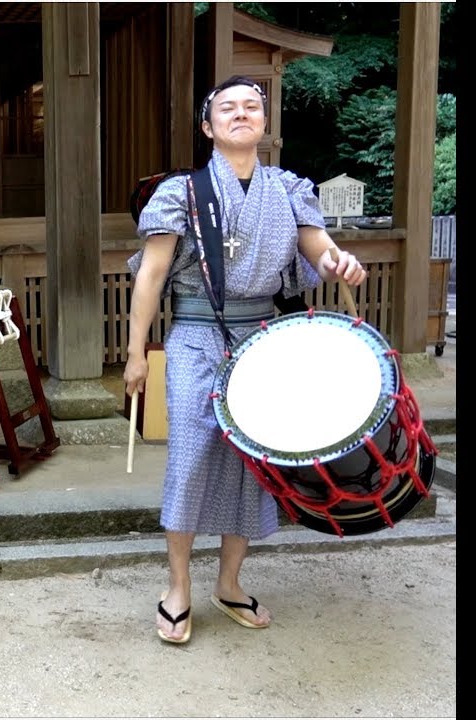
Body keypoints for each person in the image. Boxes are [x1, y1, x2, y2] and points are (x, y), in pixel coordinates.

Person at [123, 75, 368, 644]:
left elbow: (318, 249)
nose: (241, 114)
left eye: (252, 107)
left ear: (264, 123)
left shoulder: (288, 189)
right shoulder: (179, 193)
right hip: (194, 338)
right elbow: (152, 275)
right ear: (208, 127)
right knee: (189, 456)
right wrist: (136, 353)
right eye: (227, 108)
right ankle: (178, 585)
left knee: (255, 465)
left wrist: (339, 263)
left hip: (263, 340)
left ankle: (229, 581)